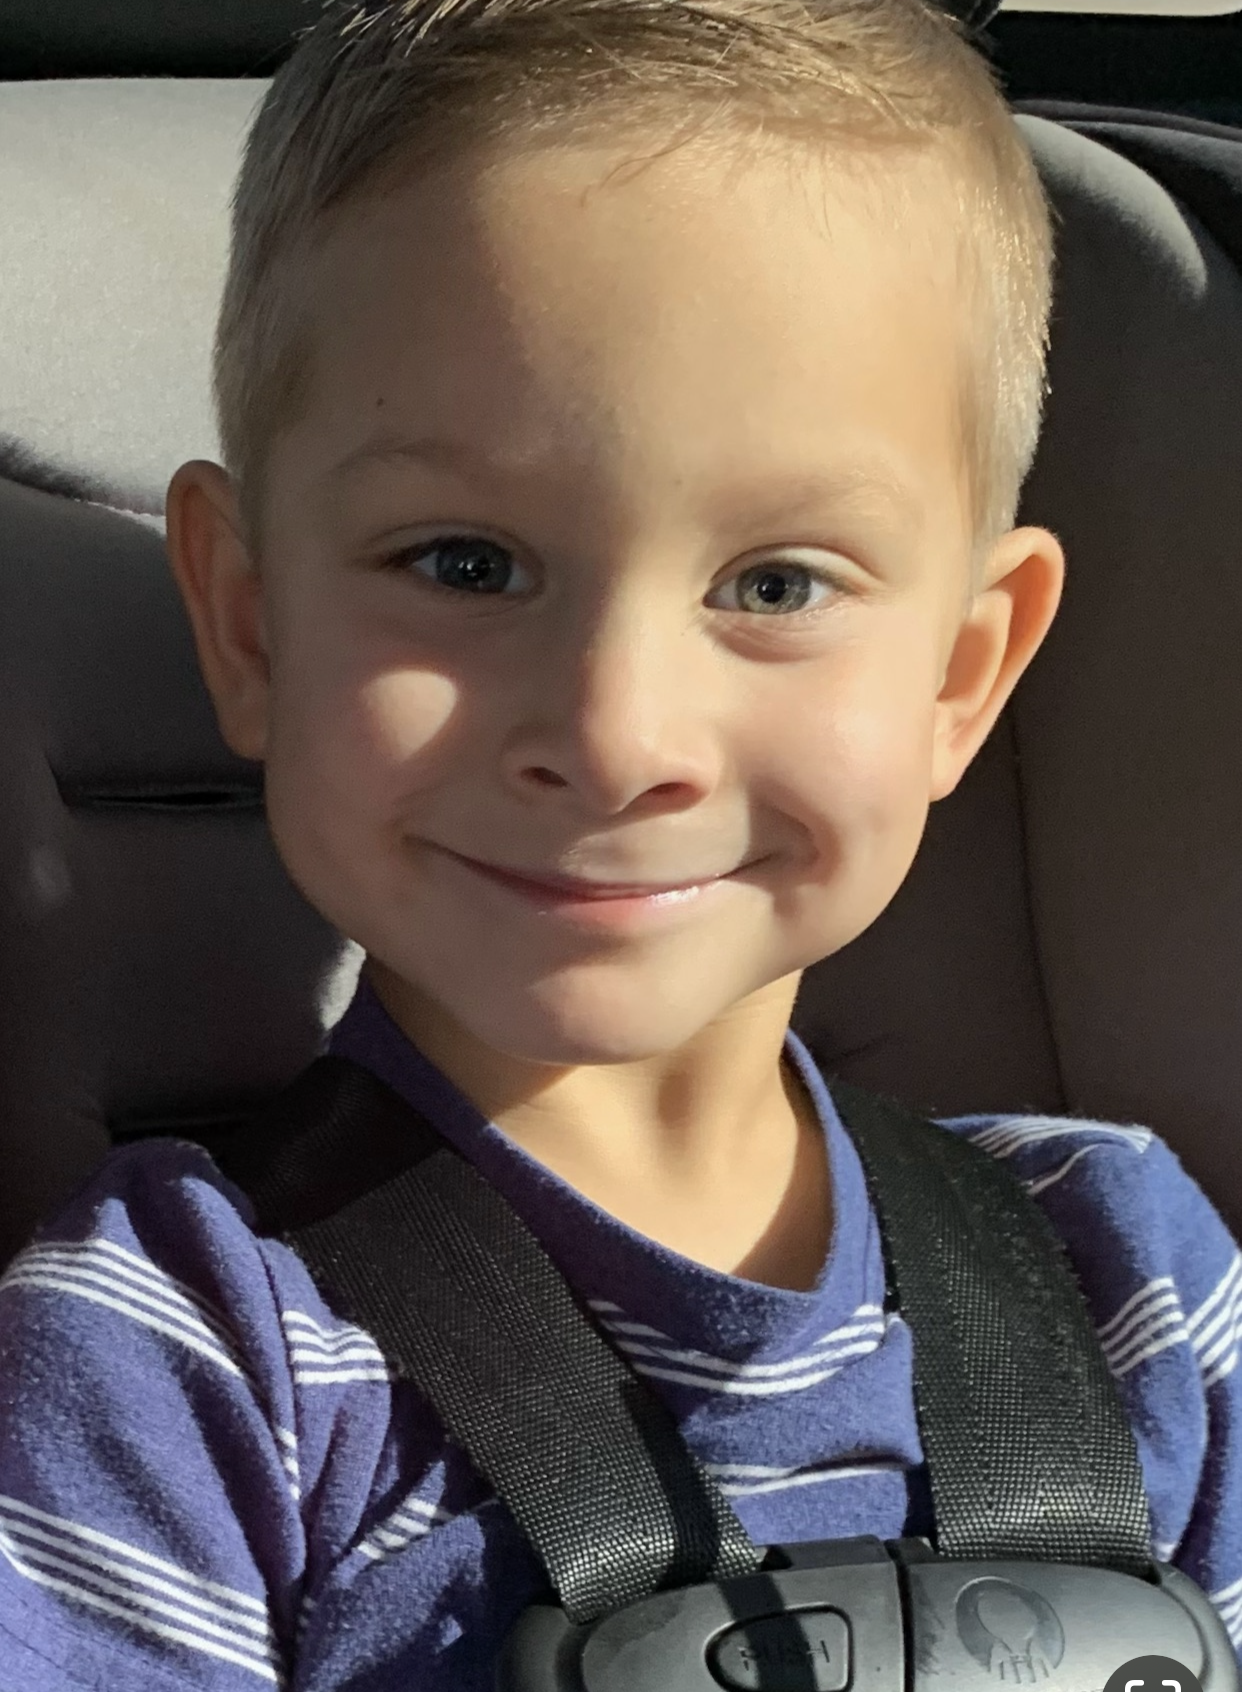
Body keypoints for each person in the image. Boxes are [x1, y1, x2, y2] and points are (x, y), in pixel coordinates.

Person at [0, 0, 1239, 1685]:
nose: (614, 736)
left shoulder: (1125, 1266)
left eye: (776, 585)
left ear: (960, 677)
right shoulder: (188, 1361)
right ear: (250, 623)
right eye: (462, 564)